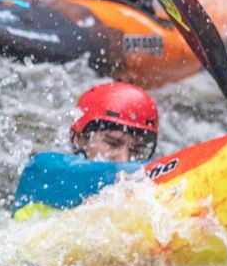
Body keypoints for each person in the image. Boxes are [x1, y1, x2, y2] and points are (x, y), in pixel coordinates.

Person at [12, 82, 160, 217]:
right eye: (112, 143)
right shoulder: (46, 172)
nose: (124, 159)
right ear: (80, 139)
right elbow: (41, 167)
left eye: (136, 151)